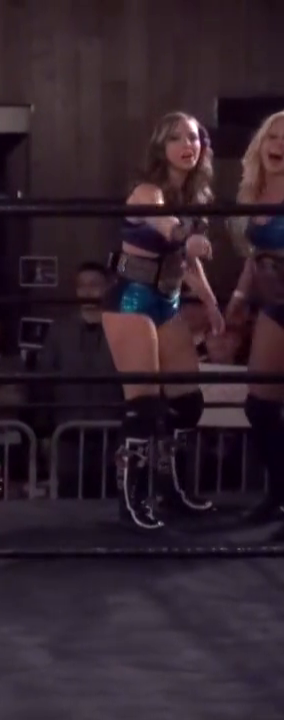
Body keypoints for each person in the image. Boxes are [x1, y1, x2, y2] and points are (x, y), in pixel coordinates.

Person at [100, 111, 224, 532]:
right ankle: (132, 500)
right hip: (131, 298)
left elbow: (187, 261)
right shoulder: (147, 191)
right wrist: (185, 236)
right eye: (176, 138)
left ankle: (171, 491)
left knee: (187, 402)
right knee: (144, 405)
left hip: (168, 299)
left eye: (193, 137)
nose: (187, 145)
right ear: (160, 147)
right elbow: (166, 226)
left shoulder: (194, 196)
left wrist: (210, 302)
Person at [227, 110, 284, 533]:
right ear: (261, 143)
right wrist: (239, 296)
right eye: (274, 137)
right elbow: (253, 256)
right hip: (273, 301)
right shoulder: (254, 191)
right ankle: (278, 493)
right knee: (259, 405)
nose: (280, 146)